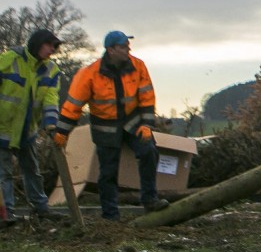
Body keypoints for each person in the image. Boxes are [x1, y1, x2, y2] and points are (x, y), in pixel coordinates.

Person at [56, 31, 170, 220]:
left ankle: (150, 200)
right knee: (108, 171)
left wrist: (147, 125)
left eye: (128, 45)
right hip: (105, 127)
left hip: (133, 123)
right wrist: (62, 131)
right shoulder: (88, 74)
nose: (128, 49)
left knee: (149, 151)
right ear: (111, 50)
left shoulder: (138, 66)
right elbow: (73, 105)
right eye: (124, 46)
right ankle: (110, 215)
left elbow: (147, 98)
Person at [1, 29, 64, 224]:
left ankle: (41, 208)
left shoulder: (51, 70)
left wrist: (51, 125)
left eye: (54, 47)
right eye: (49, 46)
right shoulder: (10, 59)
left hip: (27, 130)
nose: (52, 51)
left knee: (32, 171)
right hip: (2, 127)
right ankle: (6, 213)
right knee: (4, 173)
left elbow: (51, 99)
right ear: (38, 44)